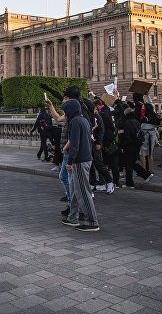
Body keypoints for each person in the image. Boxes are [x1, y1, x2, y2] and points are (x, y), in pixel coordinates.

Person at [61, 99, 100, 232]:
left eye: (66, 110)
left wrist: (70, 162)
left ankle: (92, 221)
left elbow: (74, 144)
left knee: (83, 191)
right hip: (86, 158)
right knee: (74, 190)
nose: (65, 114)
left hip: (80, 160)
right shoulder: (83, 120)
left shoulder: (75, 122)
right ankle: (72, 217)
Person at [45, 86, 81, 217]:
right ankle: (73, 205)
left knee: (70, 179)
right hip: (68, 151)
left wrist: (66, 148)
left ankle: (75, 208)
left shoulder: (77, 114)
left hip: (70, 151)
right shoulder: (71, 113)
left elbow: (77, 134)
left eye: (65, 98)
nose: (63, 100)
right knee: (66, 178)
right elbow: (57, 119)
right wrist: (51, 106)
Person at [118, 107, 153, 187]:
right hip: (136, 145)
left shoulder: (127, 123)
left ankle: (131, 183)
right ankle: (146, 174)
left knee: (129, 165)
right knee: (132, 163)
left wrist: (122, 146)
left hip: (129, 146)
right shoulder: (136, 122)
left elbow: (126, 136)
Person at [139, 102, 160, 175]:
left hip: (145, 136)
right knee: (150, 154)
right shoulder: (154, 116)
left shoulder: (144, 117)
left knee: (142, 154)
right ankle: (150, 170)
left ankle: (144, 170)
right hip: (152, 136)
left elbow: (141, 125)